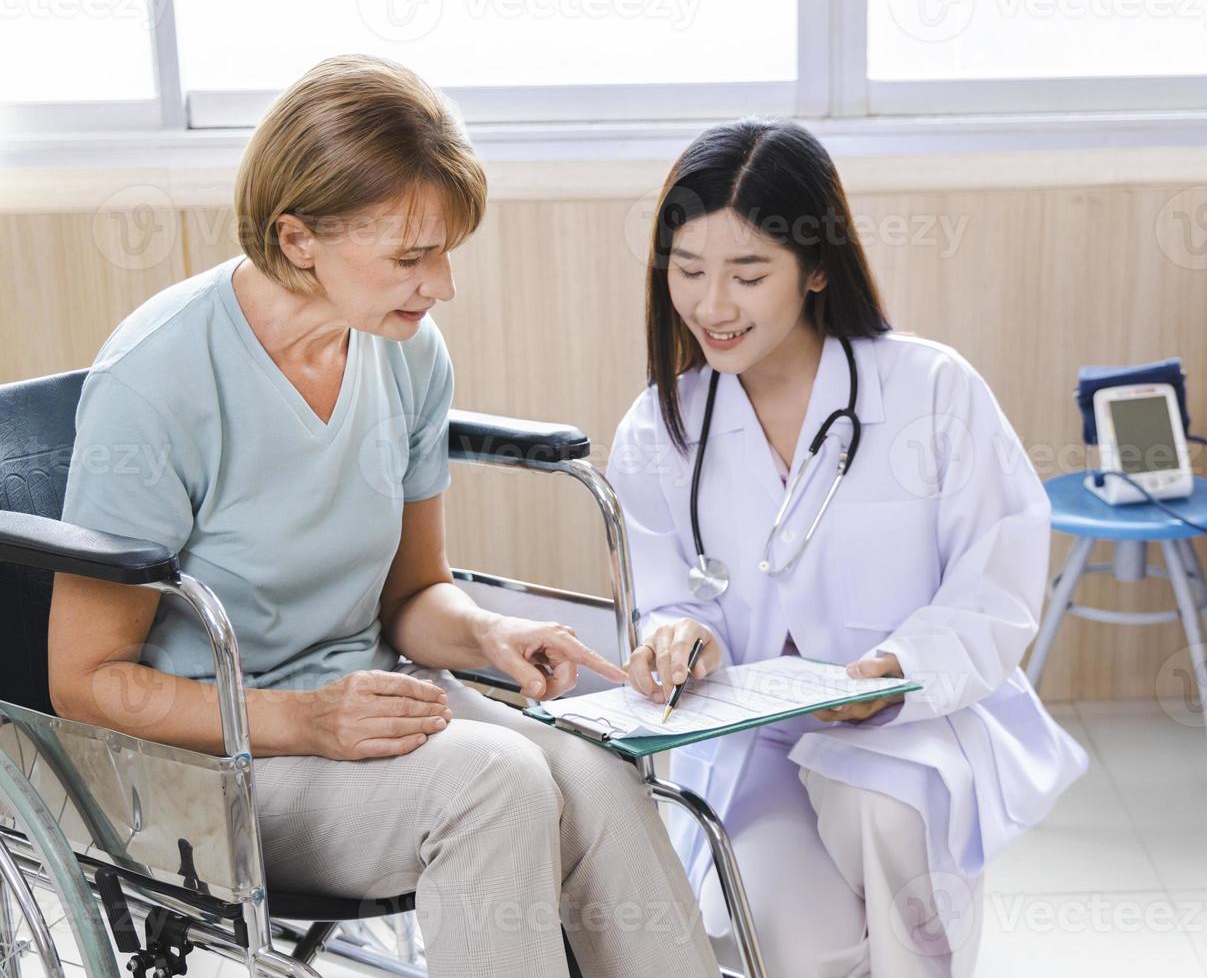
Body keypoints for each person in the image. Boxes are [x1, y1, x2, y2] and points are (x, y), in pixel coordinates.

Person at [49, 55, 718, 978]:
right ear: (297, 240)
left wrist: (489, 634)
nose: (440, 284)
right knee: (499, 785)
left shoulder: (404, 352)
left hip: (371, 709)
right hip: (211, 761)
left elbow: (412, 596)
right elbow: (86, 686)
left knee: (600, 775)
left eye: (445, 251)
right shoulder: (159, 385)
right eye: (412, 256)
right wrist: (305, 721)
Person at [607, 117, 1089, 977]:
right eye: (688, 272)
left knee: (887, 812)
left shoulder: (931, 390)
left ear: (817, 268)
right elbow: (669, 598)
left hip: (910, 724)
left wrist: (894, 670)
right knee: (797, 945)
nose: (712, 305)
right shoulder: (662, 426)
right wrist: (683, 638)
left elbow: (997, 579)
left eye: (748, 275)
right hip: (753, 744)